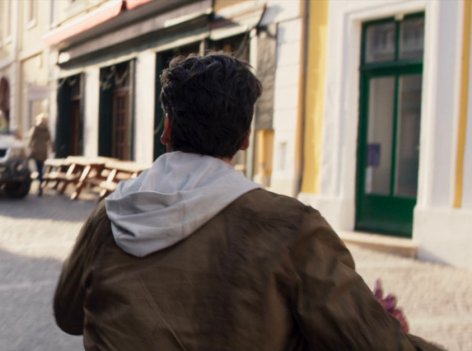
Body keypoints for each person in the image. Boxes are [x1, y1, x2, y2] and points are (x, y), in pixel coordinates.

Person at [53, 53, 441, 350]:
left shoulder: (111, 215)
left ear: (167, 128)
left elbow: (68, 315)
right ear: (244, 139)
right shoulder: (292, 228)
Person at [27, 113, 52, 197]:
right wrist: (50, 149)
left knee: (38, 169)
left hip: (37, 151)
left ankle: (37, 185)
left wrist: (30, 147)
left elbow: (30, 139)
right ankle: (40, 185)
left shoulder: (36, 128)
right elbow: (49, 141)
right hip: (43, 151)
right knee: (40, 169)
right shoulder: (46, 129)